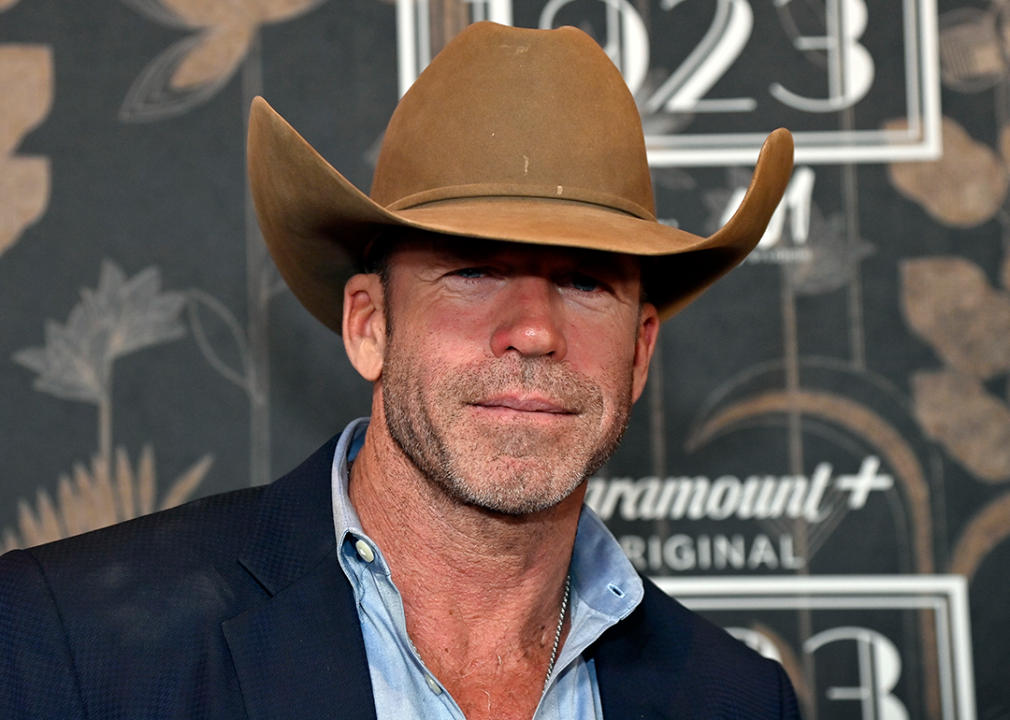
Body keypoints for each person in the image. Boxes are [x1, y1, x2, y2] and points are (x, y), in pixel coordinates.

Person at [0, 21, 798, 720]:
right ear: (369, 325)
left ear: (639, 352)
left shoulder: (736, 699)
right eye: (472, 271)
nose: (532, 330)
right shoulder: (73, 645)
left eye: (585, 282)